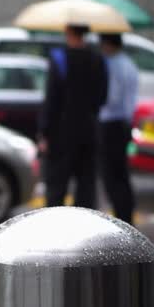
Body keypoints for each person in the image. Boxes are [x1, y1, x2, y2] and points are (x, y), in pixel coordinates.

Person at [39, 24, 108, 209]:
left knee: (56, 187)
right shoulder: (97, 58)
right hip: (89, 131)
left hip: (61, 132)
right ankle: (83, 230)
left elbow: (52, 99)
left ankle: (55, 227)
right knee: (86, 186)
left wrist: (44, 132)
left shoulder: (59, 58)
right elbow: (102, 98)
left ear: (68, 32)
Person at [98, 33, 138, 224]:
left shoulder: (112, 65)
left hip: (110, 125)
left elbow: (111, 98)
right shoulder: (129, 64)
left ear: (108, 44)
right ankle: (127, 216)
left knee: (111, 176)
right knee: (121, 173)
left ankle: (122, 219)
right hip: (124, 124)